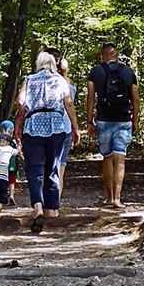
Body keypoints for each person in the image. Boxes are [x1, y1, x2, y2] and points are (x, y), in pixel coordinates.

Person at [16, 51, 81, 233]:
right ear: (53, 64)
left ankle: (37, 208)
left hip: (33, 126)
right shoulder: (60, 80)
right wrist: (75, 128)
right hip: (56, 127)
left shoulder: (29, 80)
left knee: (34, 170)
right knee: (53, 168)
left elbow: (20, 102)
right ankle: (52, 210)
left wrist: (19, 124)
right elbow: (68, 103)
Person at [86, 43, 138, 208]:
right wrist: (135, 120)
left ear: (103, 55)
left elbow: (90, 97)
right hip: (123, 119)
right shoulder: (128, 72)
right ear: (116, 55)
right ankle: (118, 199)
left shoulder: (96, 71)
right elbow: (135, 97)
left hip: (103, 119)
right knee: (120, 158)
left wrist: (89, 121)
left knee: (107, 158)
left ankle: (109, 198)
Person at [57, 57, 78, 201]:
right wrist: (75, 127)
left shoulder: (53, 82)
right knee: (61, 167)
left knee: (49, 166)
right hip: (66, 126)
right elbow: (70, 105)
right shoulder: (71, 84)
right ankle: (55, 201)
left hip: (55, 127)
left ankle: (46, 201)